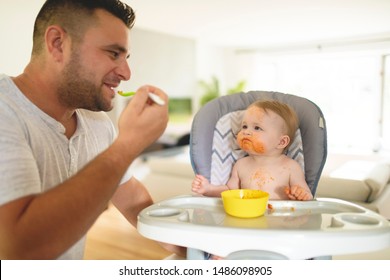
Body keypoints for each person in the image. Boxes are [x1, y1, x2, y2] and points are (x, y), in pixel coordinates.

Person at [0, 0, 184, 259]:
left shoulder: (97, 124)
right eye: (113, 53)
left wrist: (193, 249)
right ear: (57, 43)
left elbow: (130, 197)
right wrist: (128, 145)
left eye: (126, 57)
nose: (126, 73)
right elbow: (20, 249)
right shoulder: (5, 111)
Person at [192, 100, 313, 201]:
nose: (246, 131)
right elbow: (229, 191)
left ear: (281, 142)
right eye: (244, 126)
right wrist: (208, 189)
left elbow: (308, 196)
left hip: (279, 222)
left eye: (257, 128)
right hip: (247, 221)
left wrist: (301, 194)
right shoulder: (241, 165)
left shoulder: (291, 167)